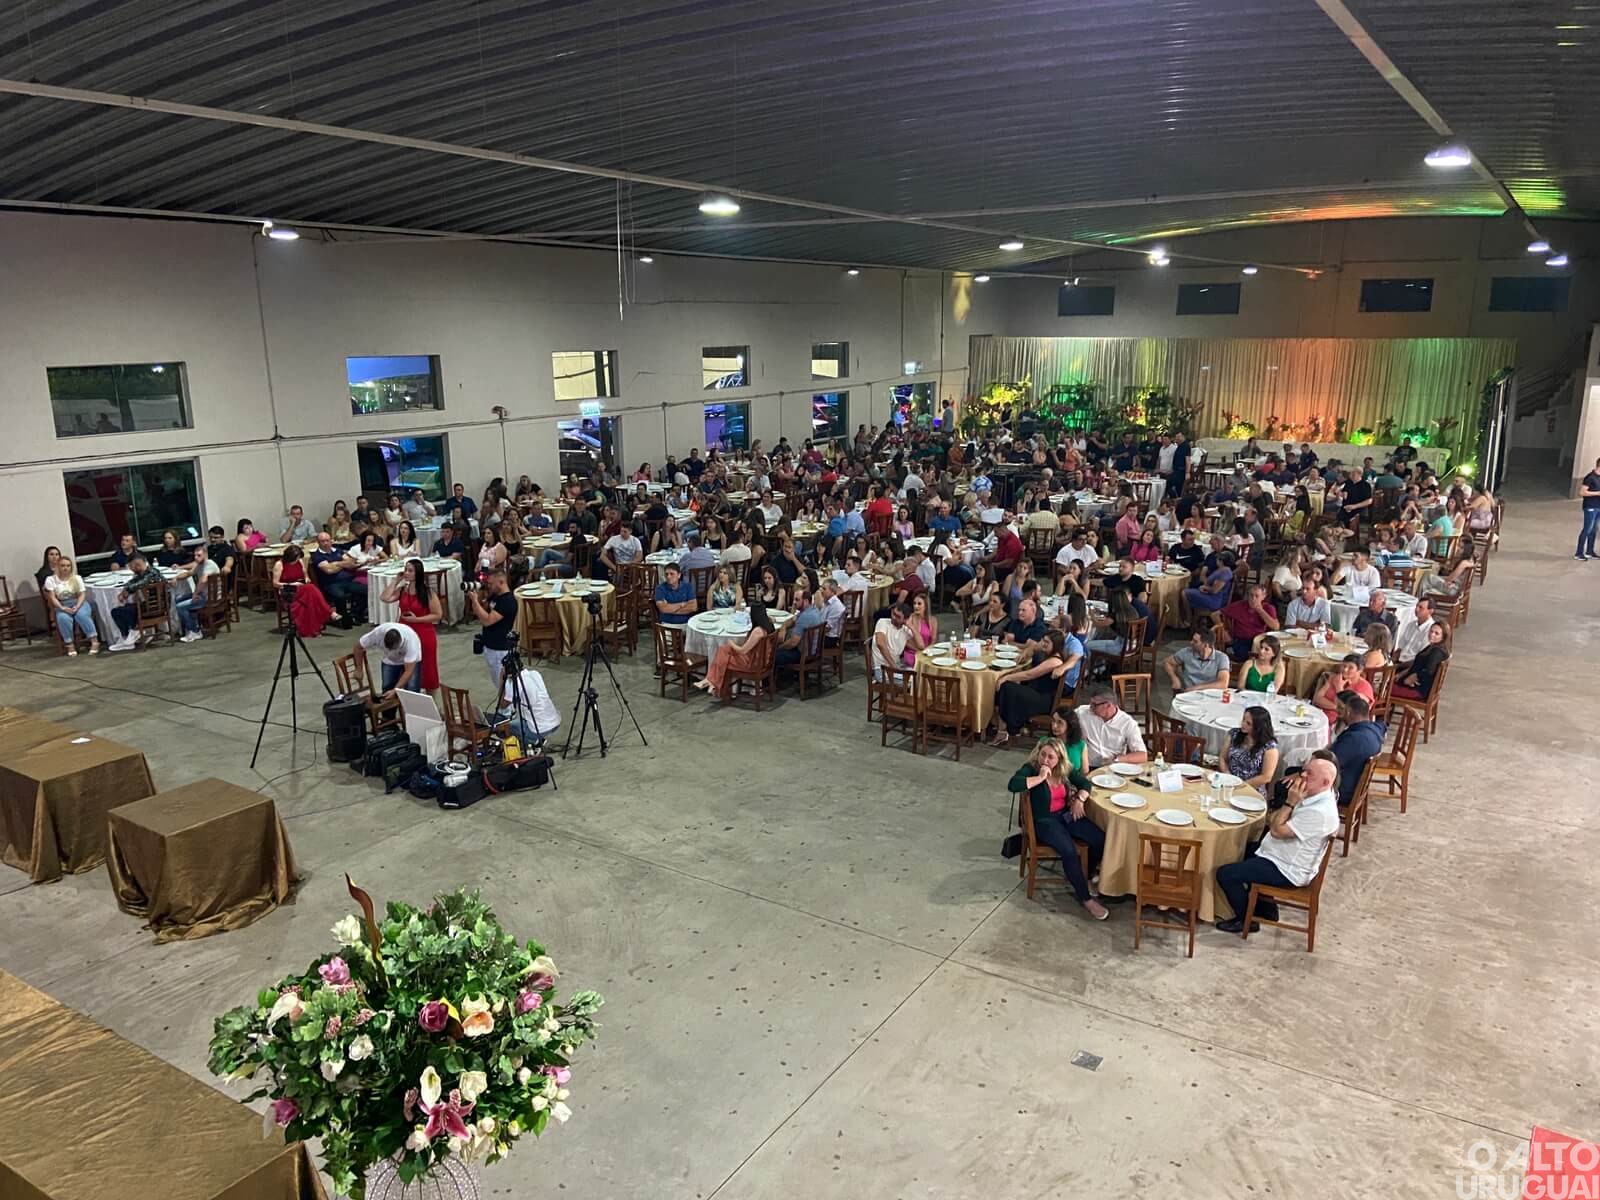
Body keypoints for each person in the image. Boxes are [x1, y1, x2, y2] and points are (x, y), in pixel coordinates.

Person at [1215, 752, 1340, 934]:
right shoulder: (1317, 793)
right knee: (1239, 848)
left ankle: (1247, 920)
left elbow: (1276, 830)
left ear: (1325, 782)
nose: (1303, 776)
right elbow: (1275, 821)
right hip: (1280, 853)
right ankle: (1267, 909)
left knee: (1225, 874)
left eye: (1310, 774)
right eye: (1304, 771)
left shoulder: (1319, 812)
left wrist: (1289, 802)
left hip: (1287, 868)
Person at [1008, 738, 1109, 920]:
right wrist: (1040, 778)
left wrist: (1080, 800)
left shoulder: (1065, 769)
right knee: (1069, 851)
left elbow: (1085, 784)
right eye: (1043, 755)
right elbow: (1013, 784)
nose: (1045, 760)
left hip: (1064, 815)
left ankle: (1084, 875)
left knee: (1099, 838)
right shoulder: (1031, 768)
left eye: (1051, 757)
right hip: (1044, 821)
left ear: (1059, 759)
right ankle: (1086, 899)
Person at [992, 629, 1080, 746]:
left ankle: (1007, 729)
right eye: (1043, 640)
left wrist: (1006, 677)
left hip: (1044, 699)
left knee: (1006, 687)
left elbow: (1030, 675)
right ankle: (1003, 727)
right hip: (1037, 692)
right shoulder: (1047, 654)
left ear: (1055, 645)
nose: (1043, 643)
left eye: (1047, 642)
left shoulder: (1055, 661)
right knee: (1008, 688)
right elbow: (1033, 647)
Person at [381, 558, 442, 695]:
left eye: (410, 571)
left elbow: (437, 615)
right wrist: (396, 580)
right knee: (405, 665)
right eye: (405, 570)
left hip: (423, 633)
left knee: (427, 669)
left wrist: (417, 619)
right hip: (405, 633)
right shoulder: (402, 590)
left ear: (417, 573)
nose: (406, 573)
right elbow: (385, 598)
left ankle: (430, 700)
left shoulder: (427, 592)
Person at [696, 601, 776, 698]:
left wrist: (732, 643)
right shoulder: (769, 625)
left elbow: (743, 650)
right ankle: (711, 681)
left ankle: (714, 684)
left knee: (723, 658)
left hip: (753, 664)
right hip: (762, 660)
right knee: (723, 649)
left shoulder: (757, 631)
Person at [466, 567, 519, 693]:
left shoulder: (508, 601)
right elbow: (482, 611)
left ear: (501, 582)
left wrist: (474, 601)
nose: (488, 586)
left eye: (491, 584)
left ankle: (506, 705)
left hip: (500, 650)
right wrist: (479, 595)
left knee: (504, 685)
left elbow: (487, 620)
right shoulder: (495, 596)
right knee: (497, 682)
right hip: (490, 646)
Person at [1328, 692, 1385, 807]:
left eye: (1342, 710)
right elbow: (1384, 726)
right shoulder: (1375, 728)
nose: (1339, 714)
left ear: (1348, 712)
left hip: (1342, 791)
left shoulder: (1354, 739)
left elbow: (1329, 763)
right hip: (1356, 786)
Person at [1077, 685, 1148, 768]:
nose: (1091, 707)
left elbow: (1142, 756)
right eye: (1091, 703)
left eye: (1095, 705)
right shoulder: (1082, 712)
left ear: (1108, 705)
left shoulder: (1127, 723)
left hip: (1112, 767)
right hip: (1087, 765)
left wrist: (1117, 759)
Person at [272, 543, 334, 637]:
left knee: (310, 592)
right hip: (288, 590)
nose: (297, 560)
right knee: (311, 588)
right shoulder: (279, 564)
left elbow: (306, 576)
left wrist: (306, 579)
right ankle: (329, 612)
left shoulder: (300, 561)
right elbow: (275, 583)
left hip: (302, 588)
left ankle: (313, 629)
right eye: (295, 559)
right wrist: (292, 584)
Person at [107, 552, 166, 651]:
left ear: (137, 564)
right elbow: (132, 582)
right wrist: (125, 589)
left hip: (155, 607)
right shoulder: (142, 573)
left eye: (132, 566)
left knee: (125, 611)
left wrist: (127, 591)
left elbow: (140, 583)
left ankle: (135, 631)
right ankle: (126, 637)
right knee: (116, 611)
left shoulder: (152, 573)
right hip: (148, 605)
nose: (132, 569)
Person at [43, 555, 100, 654]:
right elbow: (52, 597)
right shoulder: (51, 579)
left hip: (78, 602)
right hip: (62, 604)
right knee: (63, 618)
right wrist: (62, 608)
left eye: (68, 566)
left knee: (81, 615)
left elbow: (82, 594)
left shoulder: (77, 578)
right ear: (58, 567)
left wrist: (77, 606)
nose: (65, 568)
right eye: (63, 565)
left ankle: (94, 641)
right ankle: (69, 644)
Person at [310, 532, 365, 627]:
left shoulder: (337, 550)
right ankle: (344, 620)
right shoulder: (317, 555)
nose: (326, 543)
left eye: (327, 540)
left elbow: (351, 562)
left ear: (331, 540)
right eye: (322, 541)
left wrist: (336, 564)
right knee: (340, 596)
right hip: (331, 583)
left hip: (347, 580)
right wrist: (342, 564)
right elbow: (328, 571)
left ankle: (354, 615)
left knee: (365, 590)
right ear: (318, 542)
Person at [499, 663, 561, 747]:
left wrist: (502, 680)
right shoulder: (535, 673)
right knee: (520, 718)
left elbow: (502, 705)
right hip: (555, 721)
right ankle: (534, 737)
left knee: (504, 727)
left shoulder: (515, 682)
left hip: (540, 728)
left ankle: (534, 741)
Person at [354, 622, 423, 697]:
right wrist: (359, 668)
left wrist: (395, 690)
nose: (391, 651)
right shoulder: (378, 633)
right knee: (387, 688)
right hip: (389, 660)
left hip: (411, 661)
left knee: (412, 689)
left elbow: (408, 671)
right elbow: (358, 647)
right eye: (388, 648)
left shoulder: (411, 643)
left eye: (393, 649)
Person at [1225, 705, 1280, 791]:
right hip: (1228, 782)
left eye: (1248, 723)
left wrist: (1240, 786)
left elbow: (1266, 777)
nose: (1243, 724)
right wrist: (1227, 775)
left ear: (1258, 727)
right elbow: (1222, 758)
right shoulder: (1234, 734)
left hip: (1252, 788)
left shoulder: (1270, 747)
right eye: (1243, 720)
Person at [171, 543, 219, 642]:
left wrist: (195, 594)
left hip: (210, 597)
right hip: (203, 594)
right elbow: (189, 573)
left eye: (199, 555)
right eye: (195, 555)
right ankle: (190, 626)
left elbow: (203, 580)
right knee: (178, 599)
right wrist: (176, 577)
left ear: (205, 554)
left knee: (181, 606)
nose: (196, 558)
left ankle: (195, 631)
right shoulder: (199, 564)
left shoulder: (209, 564)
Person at [1220, 582, 1279, 661]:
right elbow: (1215, 614)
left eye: (1256, 596)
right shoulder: (1239, 605)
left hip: (1260, 640)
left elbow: (1275, 627)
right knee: (1245, 656)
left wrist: (1260, 610)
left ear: (1263, 597)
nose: (1253, 599)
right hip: (1241, 640)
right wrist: (1223, 629)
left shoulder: (1269, 608)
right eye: (1251, 595)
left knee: (1272, 654)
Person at [1394, 620, 1451, 700]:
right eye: (1431, 631)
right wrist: (1402, 674)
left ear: (1443, 637)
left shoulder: (1436, 652)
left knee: (1382, 689)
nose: (1432, 634)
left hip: (1417, 690)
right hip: (1414, 686)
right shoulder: (1434, 646)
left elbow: (1428, 672)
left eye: (1436, 633)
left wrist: (1412, 678)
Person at [1164, 626, 1231, 693]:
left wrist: (1197, 688)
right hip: (1188, 694)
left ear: (1206, 645)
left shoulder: (1221, 658)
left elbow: (1223, 684)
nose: (1191, 642)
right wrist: (1174, 678)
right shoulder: (1186, 652)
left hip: (1211, 694)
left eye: (1195, 641)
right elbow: (1167, 662)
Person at [1313, 656, 1374, 726]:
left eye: (1350, 667)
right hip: (1319, 715)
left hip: (1339, 724)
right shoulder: (1334, 678)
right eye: (1344, 666)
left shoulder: (1364, 687)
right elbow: (1317, 699)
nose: (1345, 669)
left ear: (1360, 670)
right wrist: (1337, 707)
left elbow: (1350, 711)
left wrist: (1339, 687)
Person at [774, 587, 824, 667]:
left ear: (806, 601)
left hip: (802, 654)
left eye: (797, 600)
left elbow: (793, 643)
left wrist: (779, 647)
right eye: (794, 599)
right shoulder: (814, 610)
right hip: (814, 652)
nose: (794, 602)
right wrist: (784, 627)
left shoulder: (804, 617)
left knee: (771, 655)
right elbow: (793, 620)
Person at [871, 603, 913, 680]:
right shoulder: (882, 622)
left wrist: (912, 626)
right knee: (914, 682)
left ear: (905, 619)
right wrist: (894, 667)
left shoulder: (905, 629)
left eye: (898, 617)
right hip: (882, 669)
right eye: (893, 613)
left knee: (919, 677)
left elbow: (920, 646)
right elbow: (880, 644)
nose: (894, 617)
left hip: (898, 666)